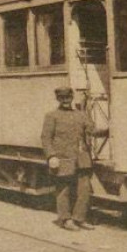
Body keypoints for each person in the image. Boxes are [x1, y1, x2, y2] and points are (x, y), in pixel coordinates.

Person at [41, 86, 95, 230]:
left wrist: (110, 127)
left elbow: (92, 129)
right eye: (62, 98)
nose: (65, 101)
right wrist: (51, 155)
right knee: (63, 190)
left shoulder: (81, 114)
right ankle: (65, 219)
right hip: (62, 158)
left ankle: (79, 218)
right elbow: (46, 138)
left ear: (72, 98)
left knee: (84, 189)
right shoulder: (52, 116)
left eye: (68, 98)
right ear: (58, 99)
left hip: (82, 158)